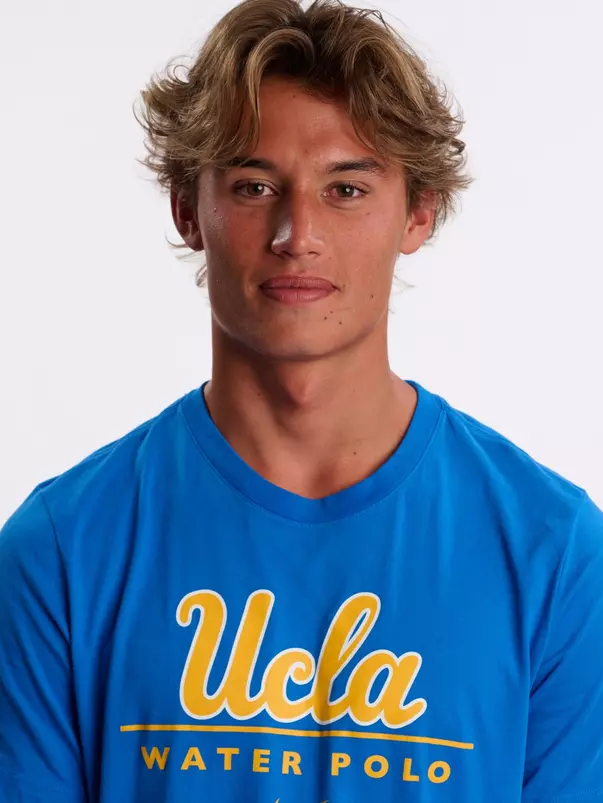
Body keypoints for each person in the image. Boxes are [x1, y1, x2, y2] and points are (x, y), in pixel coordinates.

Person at [1, 0, 602, 800]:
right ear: (189, 210)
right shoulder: (60, 551)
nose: (297, 232)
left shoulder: (554, 553)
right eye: (253, 184)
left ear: (417, 212)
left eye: (346, 188)